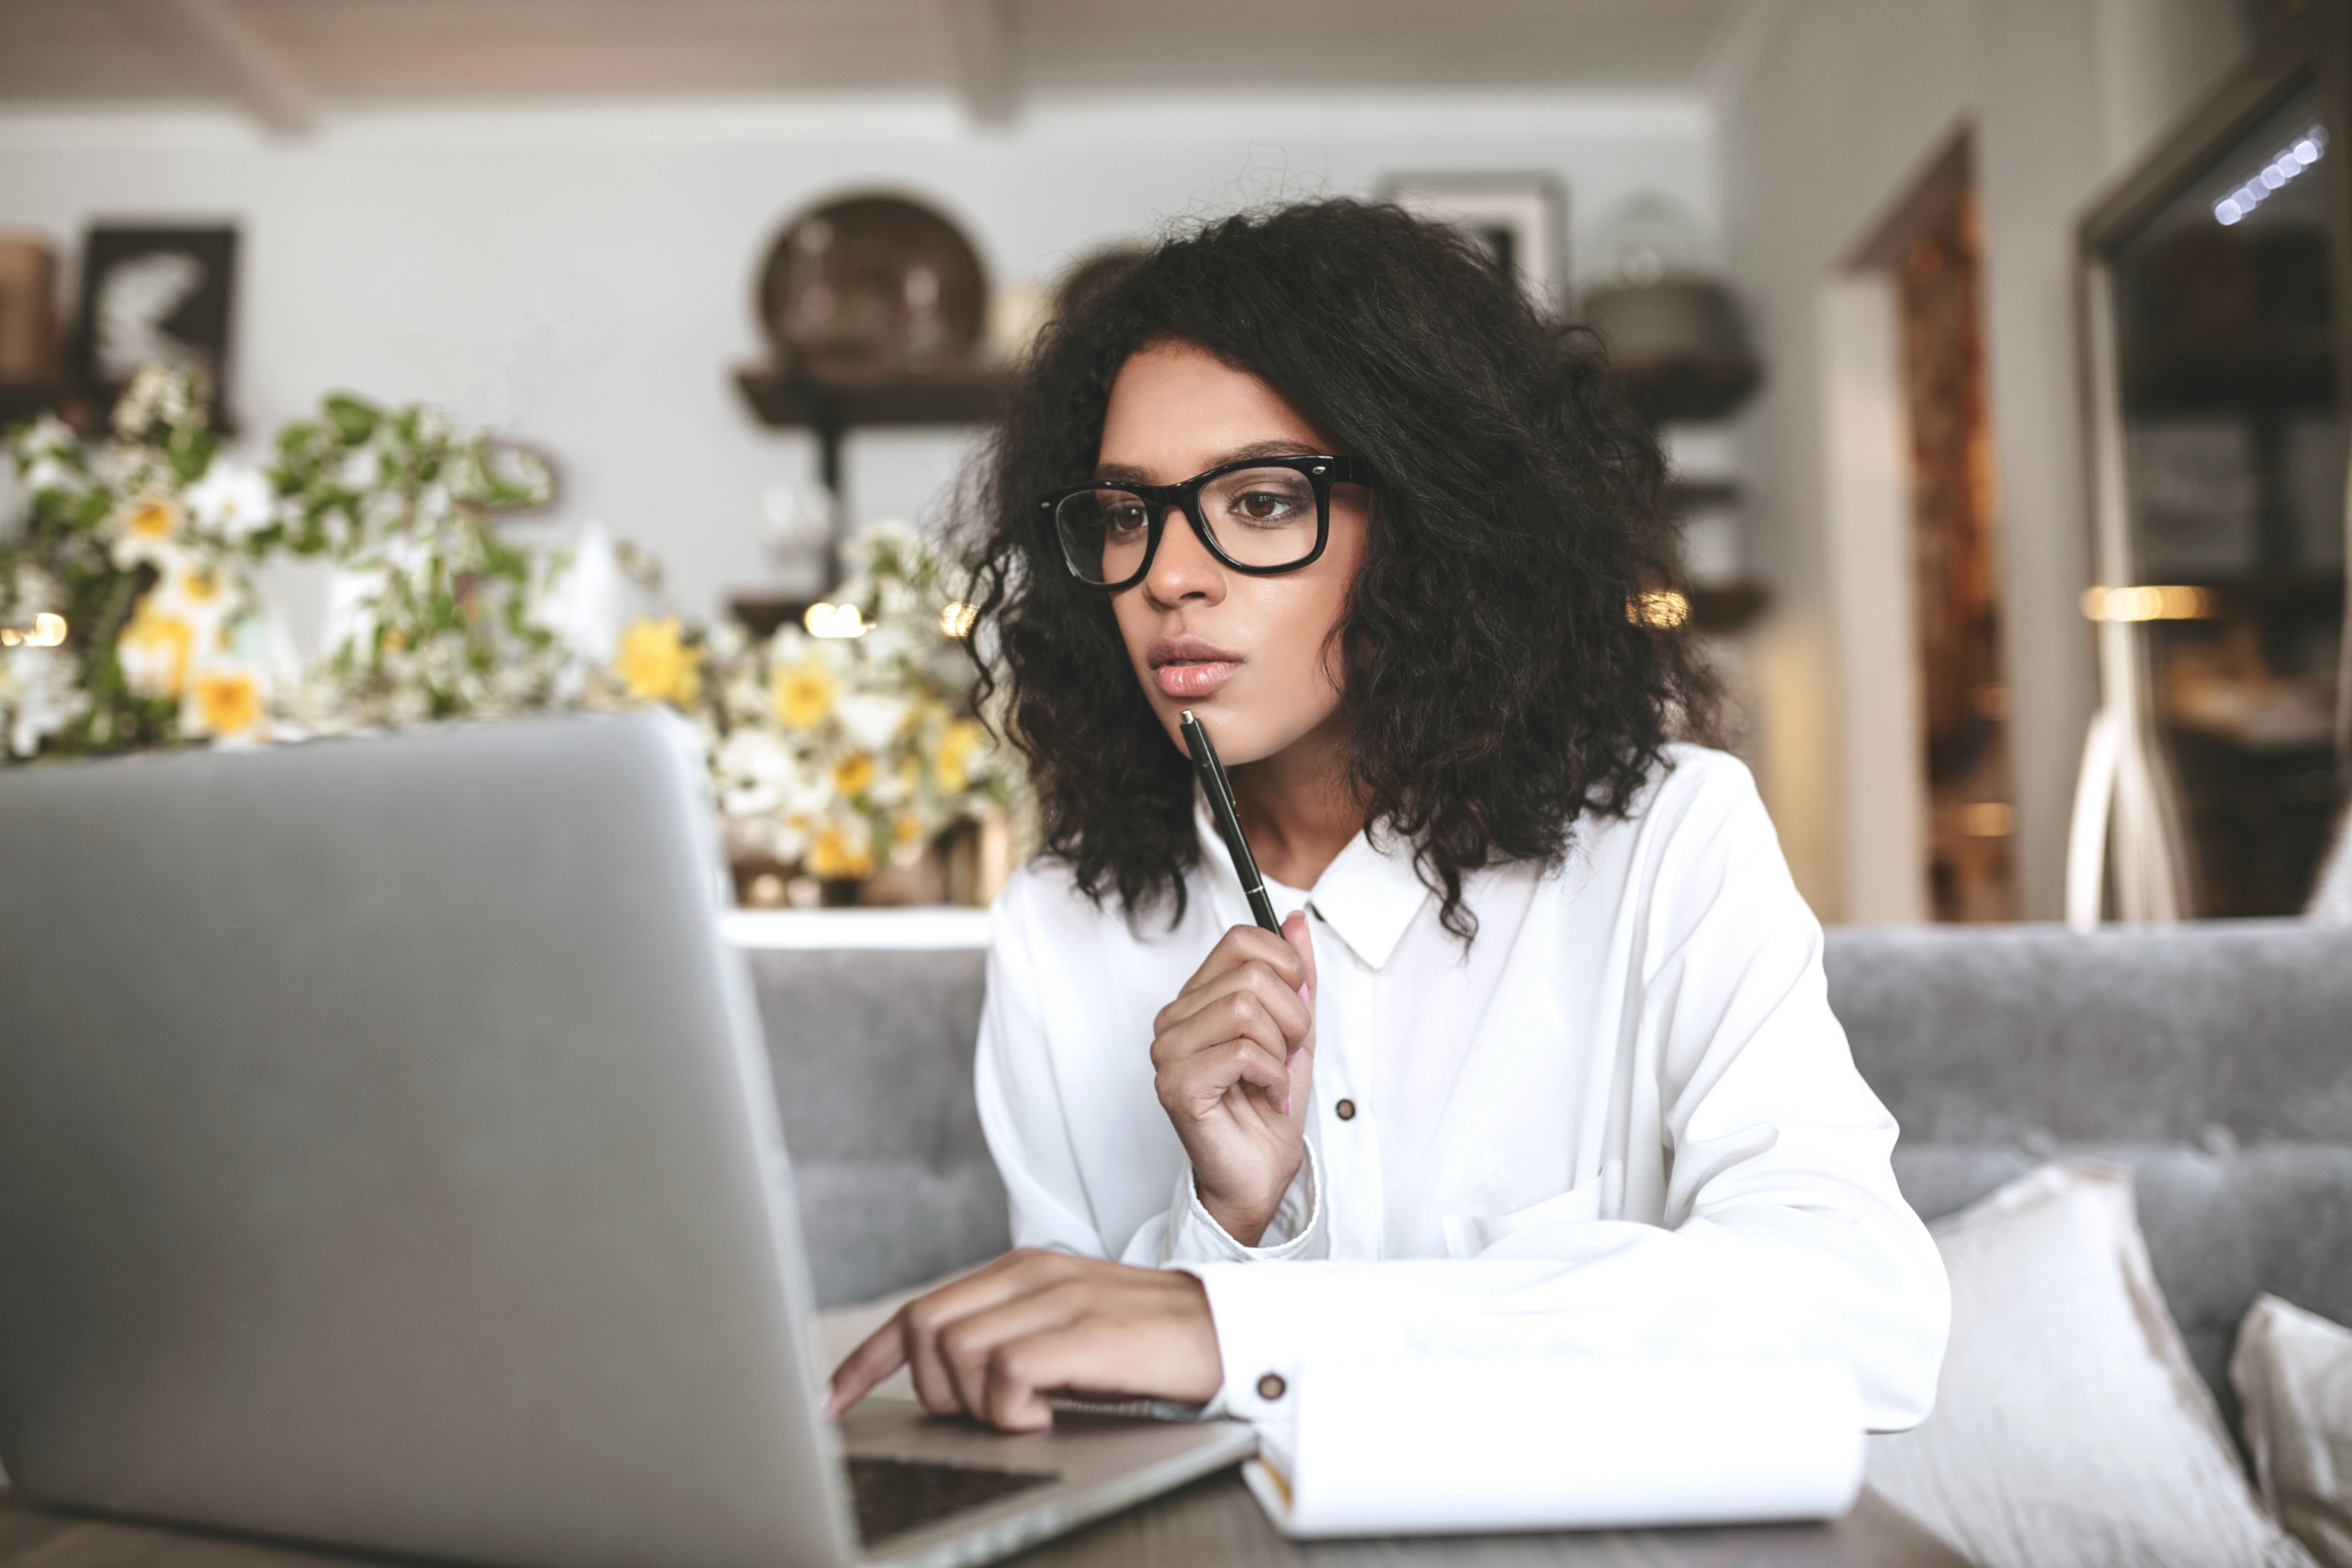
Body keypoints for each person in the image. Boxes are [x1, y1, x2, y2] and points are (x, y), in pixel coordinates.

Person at [825, 200, 1949, 1437]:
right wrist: (1226, 1228)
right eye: (1127, 513)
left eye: (1257, 501)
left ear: (1429, 525)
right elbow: (1070, 1406)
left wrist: (1227, 1326)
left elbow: (1862, 1316)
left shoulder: (1671, 841)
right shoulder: (1061, 927)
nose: (1165, 574)